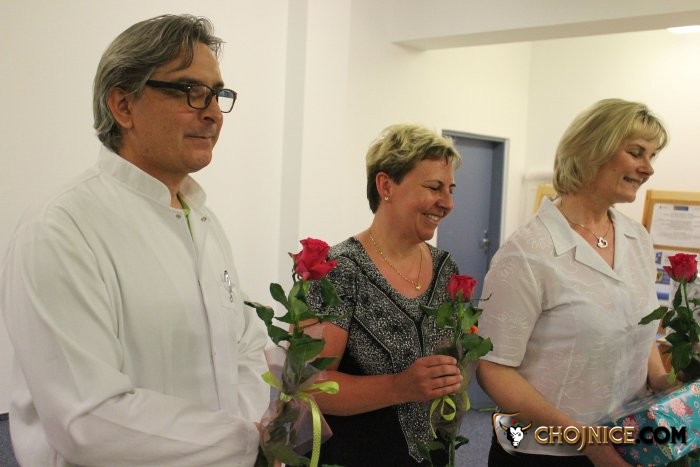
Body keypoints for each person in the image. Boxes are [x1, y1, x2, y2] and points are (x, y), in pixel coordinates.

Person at [0, 14, 270, 466]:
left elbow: (246, 346)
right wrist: (242, 442)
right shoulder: (61, 228)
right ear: (123, 106)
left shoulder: (202, 219)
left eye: (217, 94)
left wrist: (250, 435)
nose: (211, 113)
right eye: (190, 91)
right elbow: (88, 419)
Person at [476, 98, 672, 467]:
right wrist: (588, 443)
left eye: (652, 156)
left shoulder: (636, 238)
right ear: (592, 149)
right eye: (636, 153)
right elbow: (493, 369)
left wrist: (662, 381)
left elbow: (638, 327)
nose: (647, 168)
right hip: (545, 453)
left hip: (627, 441)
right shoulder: (528, 252)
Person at [302, 124, 464, 466]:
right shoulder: (338, 271)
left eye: (451, 190)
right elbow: (309, 385)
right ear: (386, 185)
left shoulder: (446, 269)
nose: (447, 203)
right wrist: (399, 387)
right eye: (434, 187)